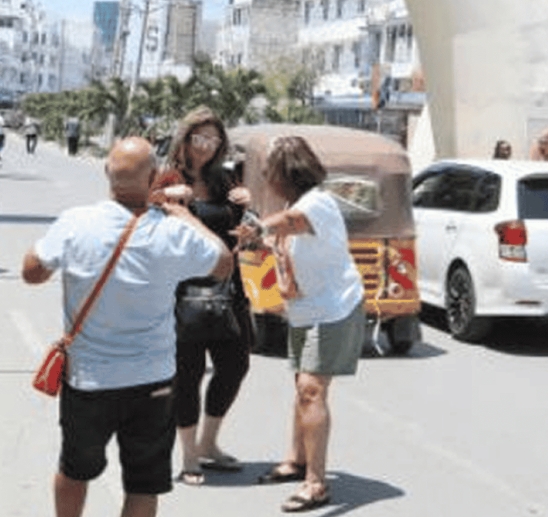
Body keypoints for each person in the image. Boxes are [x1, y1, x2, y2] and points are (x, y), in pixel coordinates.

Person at [22, 137, 231, 517]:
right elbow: (224, 263)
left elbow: (31, 273)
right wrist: (183, 215)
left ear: (107, 171)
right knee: (143, 484)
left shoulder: (76, 221)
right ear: (154, 178)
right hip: (153, 381)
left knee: (74, 470)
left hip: (88, 381)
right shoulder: (172, 232)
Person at [236, 136, 365, 514]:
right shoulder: (295, 204)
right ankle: (297, 460)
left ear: (286, 173)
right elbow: (289, 239)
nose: (267, 180)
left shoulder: (317, 203)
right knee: (302, 387)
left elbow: (291, 224)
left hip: (333, 310)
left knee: (311, 389)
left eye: (270, 173)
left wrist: (259, 227)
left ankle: (316, 483)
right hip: (305, 309)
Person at [156, 108, 253, 486]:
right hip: (182, 290)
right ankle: (188, 455)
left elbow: (243, 231)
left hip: (228, 287)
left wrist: (248, 205)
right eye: (199, 139)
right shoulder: (168, 177)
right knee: (187, 375)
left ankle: (209, 443)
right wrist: (162, 195)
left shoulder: (225, 180)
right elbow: (135, 208)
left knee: (235, 365)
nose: (206, 147)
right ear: (185, 139)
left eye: (213, 140)